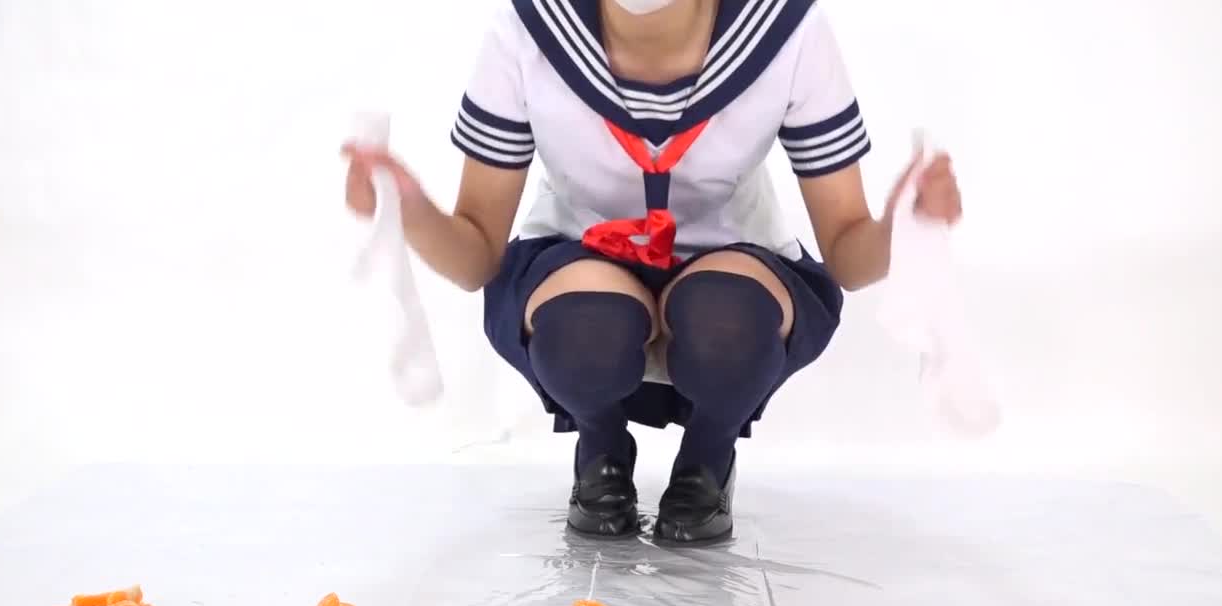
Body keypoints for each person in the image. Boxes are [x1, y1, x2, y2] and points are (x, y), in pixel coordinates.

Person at [342, 0, 963, 544]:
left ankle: (708, 457)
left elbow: (849, 254)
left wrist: (908, 226)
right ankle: (601, 447)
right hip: (580, 261)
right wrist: (408, 210)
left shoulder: (785, 28)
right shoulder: (528, 30)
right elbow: (477, 255)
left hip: (734, 264)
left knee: (725, 319)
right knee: (586, 327)